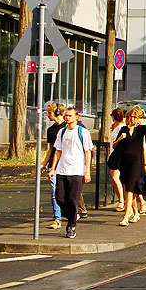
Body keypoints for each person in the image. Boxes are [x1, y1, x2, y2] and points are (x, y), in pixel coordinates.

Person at [47, 107, 93, 239]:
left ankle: (71, 227)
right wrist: (52, 168)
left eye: (70, 116)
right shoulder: (62, 132)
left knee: (73, 200)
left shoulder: (82, 132)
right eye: (66, 116)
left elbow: (88, 152)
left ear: (76, 117)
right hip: (62, 169)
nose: (67, 118)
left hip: (76, 170)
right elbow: (57, 151)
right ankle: (73, 215)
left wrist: (87, 171)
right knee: (60, 197)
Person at [115, 107, 146, 226]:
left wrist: (145, 117)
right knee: (129, 188)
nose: (132, 119)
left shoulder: (140, 129)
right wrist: (120, 139)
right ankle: (136, 213)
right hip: (125, 162)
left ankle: (126, 215)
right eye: (130, 116)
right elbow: (115, 145)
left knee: (130, 188)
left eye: (135, 117)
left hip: (136, 162)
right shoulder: (124, 129)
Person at [41, 102, 66, 230]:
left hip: (67, 164)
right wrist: (43, 164)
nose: (48, 115)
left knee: (66, 193)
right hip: (54, 165)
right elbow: (51, 149)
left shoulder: (67, 128)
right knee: (54, 191)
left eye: (50, 112)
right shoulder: (51, 130)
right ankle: (57, 218)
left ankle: (70, 212)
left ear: (57, 113)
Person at [108, 107, 126, 212]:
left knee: (116, 178)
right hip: (113, 155)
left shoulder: (121, 128)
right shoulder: (116, 127)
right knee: (115, 178)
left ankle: (122, 200)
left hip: (118, 156)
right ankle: (121, 199)